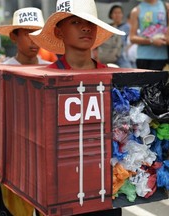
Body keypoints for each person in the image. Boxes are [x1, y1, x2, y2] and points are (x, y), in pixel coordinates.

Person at [29, 0, 124, 215]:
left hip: (103, 191)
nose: (85, 27)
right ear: (59, 31)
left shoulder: (114, 78)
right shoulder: (42, 79)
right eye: (75, 22)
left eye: (90, 22)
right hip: (58, 193)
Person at [0, 7, 51, 216]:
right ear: (13, 36)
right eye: (27, 33)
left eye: (37, 33)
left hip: (45, 160)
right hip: (14, 161)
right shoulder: (1, 72)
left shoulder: (52, 71)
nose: (33, 40)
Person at [129, 0, 168, 70]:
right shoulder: (136, 10)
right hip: (143, 57)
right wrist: (152, 41)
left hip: (162, 57)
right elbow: (132, 38)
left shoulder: (165, 6)